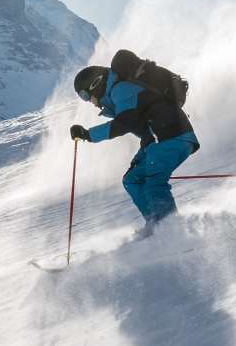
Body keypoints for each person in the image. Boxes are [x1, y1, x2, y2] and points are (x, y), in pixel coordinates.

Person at [68, 52, 199, 229]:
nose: (88, 101)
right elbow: (142, 126)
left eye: (85, 95)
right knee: (132, 179)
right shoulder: (117, 94)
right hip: (161, 140)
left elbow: (124, 123)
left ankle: (170, 229)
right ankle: (156, 224)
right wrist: (143, 151)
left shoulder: (121, 89)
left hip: (172, 136)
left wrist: (88, 135)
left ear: (95, 84)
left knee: (154, 183)